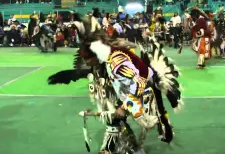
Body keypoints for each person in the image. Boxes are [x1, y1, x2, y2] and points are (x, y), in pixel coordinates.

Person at [47, 17, 183, 153]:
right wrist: (70, 74)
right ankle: (112, 148)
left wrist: (124, 108)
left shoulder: (117, 63)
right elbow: (91, 73)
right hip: (127, 89)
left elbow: (139, 82)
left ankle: (147, 140)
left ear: (96, 56)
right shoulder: (102, 61)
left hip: (145, 86)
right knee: (114, 120)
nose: (86, 62)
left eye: (88, 59)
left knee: (152, 116)